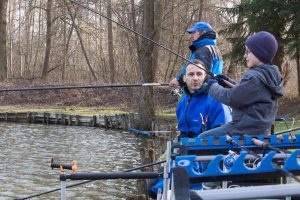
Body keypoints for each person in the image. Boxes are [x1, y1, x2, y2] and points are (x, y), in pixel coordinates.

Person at [148, 60, 232, 198]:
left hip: (205, 159)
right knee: (152, 189)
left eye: (199, 74)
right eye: (191, 74)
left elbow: (223, 136)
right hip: (183, 154)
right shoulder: (182, 101)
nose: (195, 78)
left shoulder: (216, 99)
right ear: (184, 78)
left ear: (205, 76)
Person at [199, 31, 284, 139]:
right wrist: (228, 82)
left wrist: (212, 86)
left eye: (248, 52)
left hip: (241, 130)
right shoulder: (270, 75)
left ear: (260, 52)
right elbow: (248, 94)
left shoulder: (255, 77)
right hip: (261, 130)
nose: (245, 55)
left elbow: (231, 98)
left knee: (202, 138)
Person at [169, 22, 223, 88]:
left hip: (202, 92)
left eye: (194, 33)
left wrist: (179, 80)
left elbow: (200, 74)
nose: (191, 35)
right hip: (212, 90)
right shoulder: (214, 48)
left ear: (203, 33)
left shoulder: (203, 50)